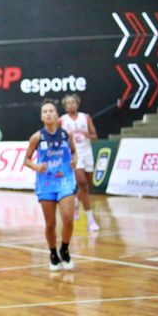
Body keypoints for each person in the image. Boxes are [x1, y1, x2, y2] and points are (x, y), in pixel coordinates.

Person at [24, 99, 77, 271]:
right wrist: (36, 166)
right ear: (41, 116)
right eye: (45, 111)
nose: (48, 113)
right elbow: (26, 160)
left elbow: (74, 152)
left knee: (68, 218)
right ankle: (53, 253)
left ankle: (65, 248)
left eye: (51, 111)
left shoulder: (65, 135)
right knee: (50, 224)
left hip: (65, 180)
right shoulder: (37, 137)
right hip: (46, 182)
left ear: (56, 115)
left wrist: (74, 161)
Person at [60, 94, 99, 231]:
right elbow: (58, 140)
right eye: (68, 103)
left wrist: (86, 134)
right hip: (74, 155)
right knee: (82, 183)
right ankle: (91, 220)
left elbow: (95, 137)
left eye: (73, 102)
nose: (71, 105)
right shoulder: (62, 121)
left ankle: (76, 202)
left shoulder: (85, 117)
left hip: (87, 153)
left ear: (77, 104)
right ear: (65, 106)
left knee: (87, 186)